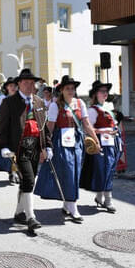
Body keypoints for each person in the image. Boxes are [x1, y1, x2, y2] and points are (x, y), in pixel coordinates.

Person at [35, 75, 100, 223]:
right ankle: (73, 206)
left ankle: (67, 203)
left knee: (75, 173)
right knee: (69, 172)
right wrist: (45, 146)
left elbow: (86, 124)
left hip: (76, 142)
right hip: (60, 143)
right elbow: (50, 127)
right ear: (62, 90)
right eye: (67, 88)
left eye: (72, 88)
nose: (71, 91)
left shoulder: (80, 103)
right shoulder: (55, 105)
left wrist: (96, 141)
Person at [0, 69, 52, 233]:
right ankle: (31, 217)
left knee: (28, 181)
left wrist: (48, 145)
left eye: (32, 83)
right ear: (19, 84)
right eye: (26, 82)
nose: (29, 85)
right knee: (28, 180)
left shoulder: (39, 102)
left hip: (35, 147)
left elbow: (44, 127)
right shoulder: (9, 102)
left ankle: (18, 213)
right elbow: (3, 127)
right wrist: (4, 146)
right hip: (19, 148)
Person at [80, 80, 122, 213]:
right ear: (95, 94)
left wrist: (114, 130)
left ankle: (99, 197)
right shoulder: (93, 110)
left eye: (106, 91)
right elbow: (88, 128)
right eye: (102, 91)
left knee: (109, 170)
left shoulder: (108, 107)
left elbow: (113, 124)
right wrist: (102, 131)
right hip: (101, 144)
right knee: (104, 170)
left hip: (112, 142)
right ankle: (108, 200)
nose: (105, 94)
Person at [0, 77, 20, 185]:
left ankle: (15, 172)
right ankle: (12, 173)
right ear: (7, 87)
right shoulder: (3, 100)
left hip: (19, 130)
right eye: (11, 86)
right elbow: (0, 118)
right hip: (8, 130)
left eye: (15, 86)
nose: (13, 88)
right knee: (11, 154)